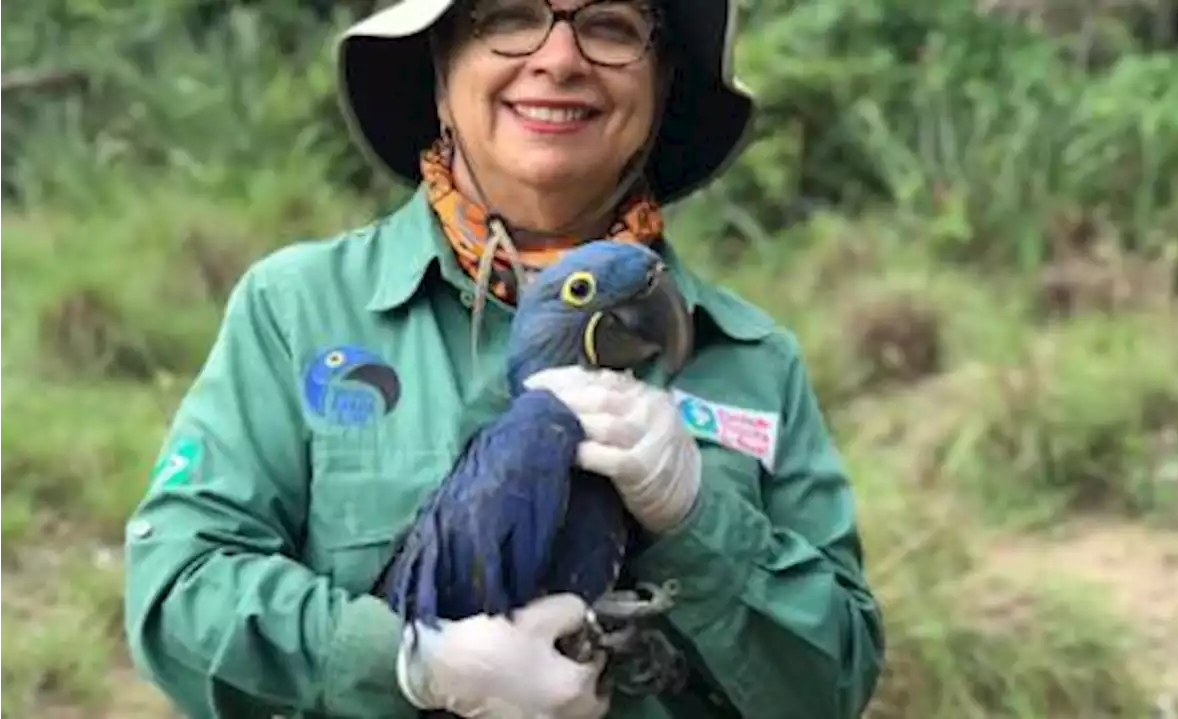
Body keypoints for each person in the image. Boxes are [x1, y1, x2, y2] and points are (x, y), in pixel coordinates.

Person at [121, 0, 886, 717]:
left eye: (611, 25)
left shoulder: (752, 359)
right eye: (511, 15)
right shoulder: (297, 309)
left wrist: (698, 521)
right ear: (440, 71)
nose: (559, 58)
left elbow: (836, 677)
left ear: (661, 86)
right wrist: (407, 661)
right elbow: (178, 588)